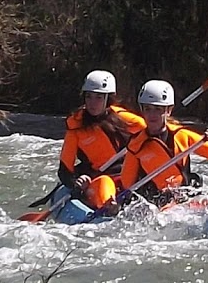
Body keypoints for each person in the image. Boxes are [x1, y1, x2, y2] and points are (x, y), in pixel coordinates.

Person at [118, 79, 208, 206]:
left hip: (188, 196)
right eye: (147, 109)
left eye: (158, 109)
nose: (152, 114)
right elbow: (127, 186)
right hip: (161, 204)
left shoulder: (182, 135)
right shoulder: (136, 145)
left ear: (168, 110)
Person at [57, 70, 145, 209]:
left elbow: (154, 130)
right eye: (89, 97)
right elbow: (65, 170)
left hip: (126, 175)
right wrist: (76, 183)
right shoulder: (76, 127)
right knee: (104, 184)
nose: (92, 103)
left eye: (98, 97)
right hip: (99, 177)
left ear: (108, 99)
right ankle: (110, 208)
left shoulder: (126, 120)